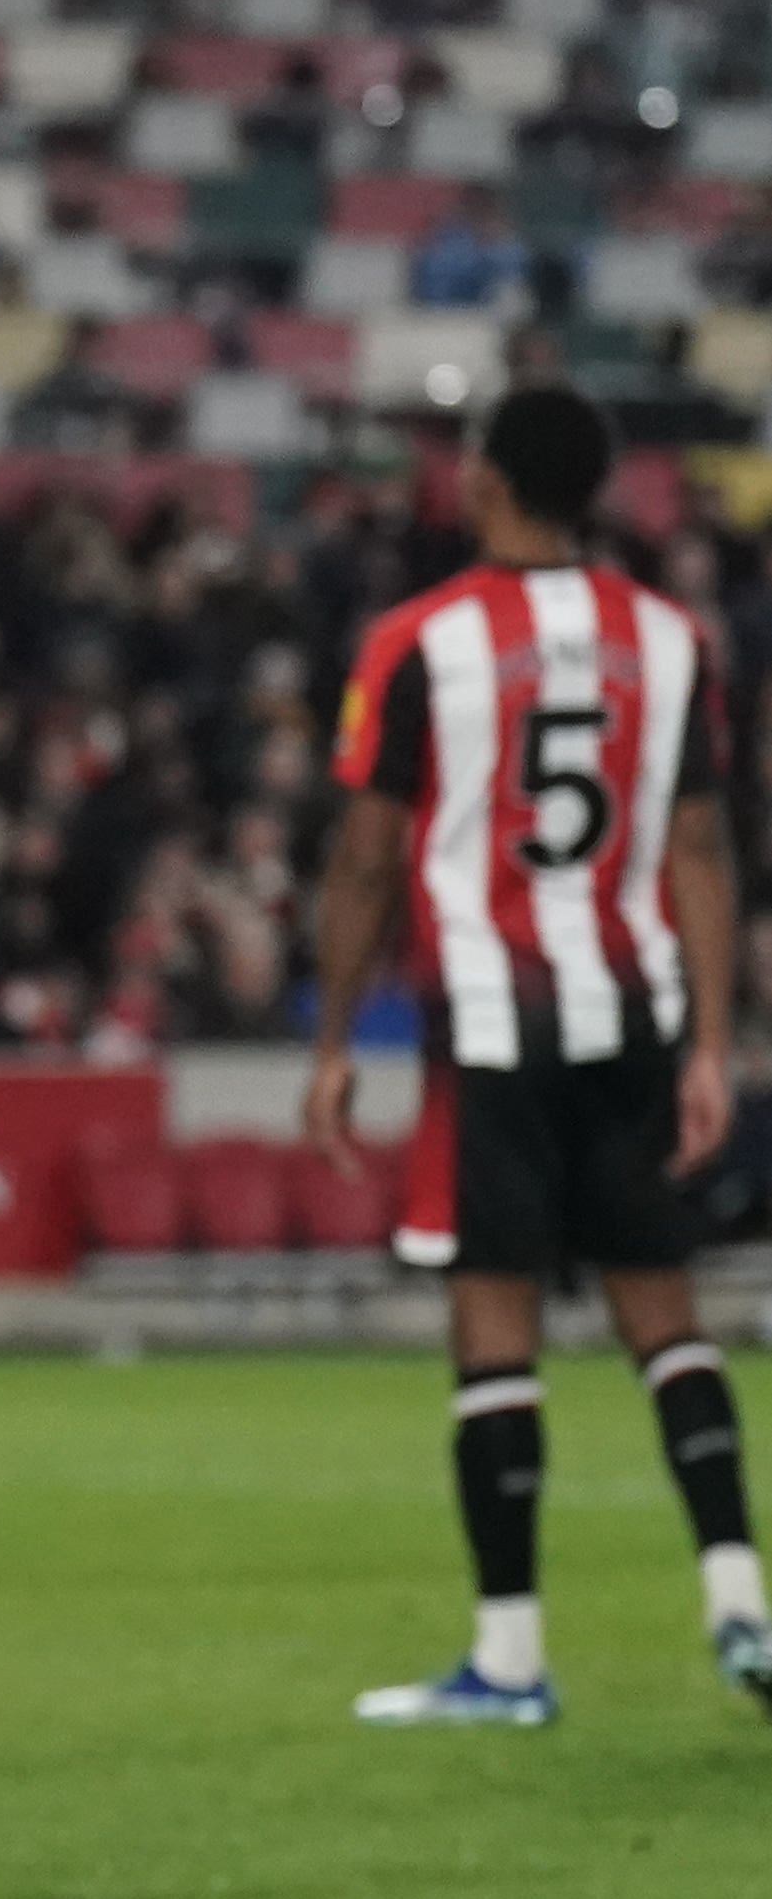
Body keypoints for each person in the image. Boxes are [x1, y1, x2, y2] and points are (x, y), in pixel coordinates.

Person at [306, 385, 764, 1726]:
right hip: (630, 1005)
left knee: (492, 1319)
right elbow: (697, 850)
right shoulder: (670, 641)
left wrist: (335, 1037)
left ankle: (507, 1658)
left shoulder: (418, 640)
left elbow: (367, 854)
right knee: (661, 1314)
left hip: (494, 1019)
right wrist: (712, 1041)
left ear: (488, 484)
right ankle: (739, 1596)